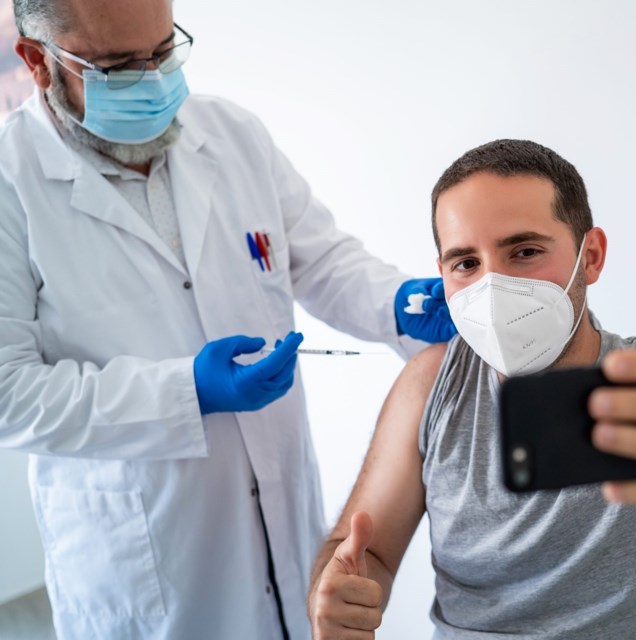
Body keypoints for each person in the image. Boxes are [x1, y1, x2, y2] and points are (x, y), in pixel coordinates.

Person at [0, 0, 455, 638]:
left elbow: (322, 260)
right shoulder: (10, 181)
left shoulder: (233, 135)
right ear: (38, 61)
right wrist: (188, 392)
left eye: (163, 51)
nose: (154, 80)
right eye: (120, 66)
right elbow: (8, 393)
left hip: (279, 503)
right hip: (146, 553)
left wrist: (396, 301)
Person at [308, 139, 636, 639]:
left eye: (524, 252)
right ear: (443, 275)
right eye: (466, 264)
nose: (493, 287)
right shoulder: (431, 385)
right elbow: (359, 550)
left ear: (590, 257)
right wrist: (333, 597)